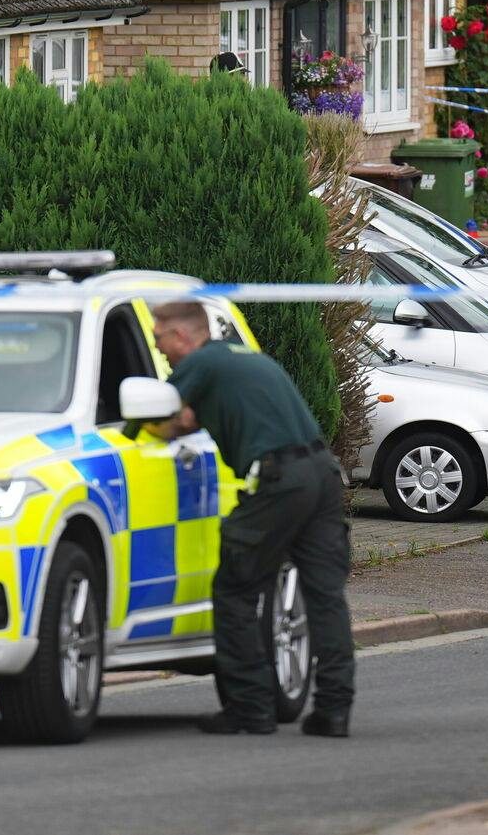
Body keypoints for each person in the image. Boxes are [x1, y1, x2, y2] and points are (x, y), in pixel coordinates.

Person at [144, 301, 355, 738]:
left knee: (235, 590)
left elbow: (165, 423)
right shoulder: (242, 356)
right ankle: (334, 711)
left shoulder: (200, 362)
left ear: (184, 335)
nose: (159, 348)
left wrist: (136, 427)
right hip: (323, 474)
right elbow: (195, 418)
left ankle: (250, 708)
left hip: (279, 481)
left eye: (160, 337)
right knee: (325, 596)